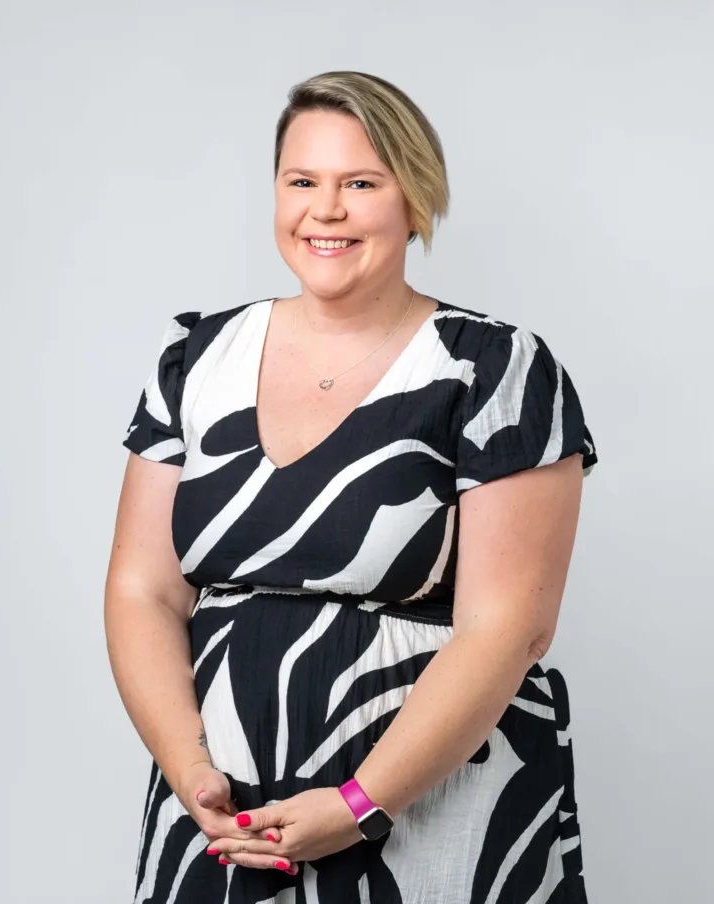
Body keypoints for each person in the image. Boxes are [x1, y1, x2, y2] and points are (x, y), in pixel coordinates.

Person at [105, 69, 598, 904]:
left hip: (435, 811)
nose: (324, 210)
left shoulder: (495, 368)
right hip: (225, 818)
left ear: (415, 199)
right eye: (302, 182)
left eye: (360, 183)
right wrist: (190, 771)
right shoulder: (195, 358)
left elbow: (509, 626)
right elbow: (142, 588)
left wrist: (362, 804)